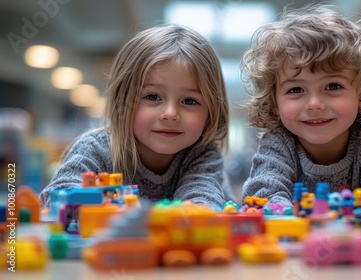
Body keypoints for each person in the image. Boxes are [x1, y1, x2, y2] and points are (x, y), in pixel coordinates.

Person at [240, 4, 361, 222]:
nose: (315, 104)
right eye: (295, 90)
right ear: (274, 102)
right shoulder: (278, 143)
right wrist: (303, 220)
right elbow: (261, 197)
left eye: (333, 86)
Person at [40, 25, 236, 209]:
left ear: (212, 111)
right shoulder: (97, 149)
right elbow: (57, 199)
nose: (170, 114)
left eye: (190, 101)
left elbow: (200, 201)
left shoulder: (202, 154)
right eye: (152, 97)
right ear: (121, 100)